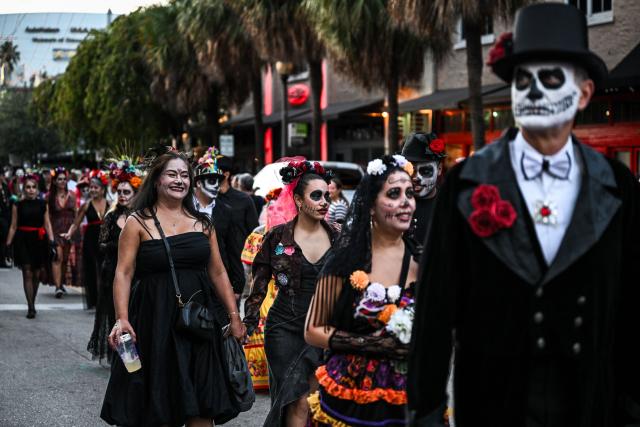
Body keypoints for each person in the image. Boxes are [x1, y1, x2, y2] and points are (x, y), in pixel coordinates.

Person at [407, 4, 640, 427]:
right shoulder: (464, 185)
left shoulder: (618, 186)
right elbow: (434, 315)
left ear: (583, 93)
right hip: (494, 406)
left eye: (549, 78)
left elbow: (632, 308)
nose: (532, 91)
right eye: (521, 80)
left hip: (590, 406)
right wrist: (425, 414)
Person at [101, 147, 245, 427]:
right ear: (157, 181)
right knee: (158, 401)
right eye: (171, 174)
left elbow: (217, 271)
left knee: (203, 403)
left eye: (184, 175)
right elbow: (124, 272)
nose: (179, 180)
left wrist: (234, 316)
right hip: (153, 319)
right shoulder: (137, 221)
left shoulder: (204, 224)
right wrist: (122, 319)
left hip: (199, 322)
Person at [304, 155, 419, 427]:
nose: (406, 202)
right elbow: (313, 329)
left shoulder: (423, 260)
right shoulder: (345, 261)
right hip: (351, 392)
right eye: (394, 193)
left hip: (409, 391)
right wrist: (375, 345)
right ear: (369, 206)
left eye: (410, 193)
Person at [243, 160, 337, 427]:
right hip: (284, 329)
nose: (323, 201)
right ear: (297, 199)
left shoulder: (338, 236)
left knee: (317, 399)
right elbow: (258, 286)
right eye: (316, 195)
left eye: (326, 195)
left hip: (322, 329)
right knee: (296, 398)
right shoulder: (276, 237)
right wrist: (247, 324)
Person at [87, 159, 142, 363]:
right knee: (116, 317)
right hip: (112, 273)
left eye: (126, 192)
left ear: (135, 194)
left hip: (137, 274)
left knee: (136, 316)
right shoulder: (111, 217)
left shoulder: (140, 217)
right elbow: (101, 244)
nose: (122, 196)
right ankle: (125, 360)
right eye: (119, 192)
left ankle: (138, 358)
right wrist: (120, 245)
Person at [241, 187, 283, 392]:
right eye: (270, 207)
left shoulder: (292, 234)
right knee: (260, 327)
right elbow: (249, 269)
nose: (273, 211)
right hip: (263, 288)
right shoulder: (257, 235)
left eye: (278, 207)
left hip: (281, 289)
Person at [5, 174, 56, 318]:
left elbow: (47, 224)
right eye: (28, 187)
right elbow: (13, 226)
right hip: (23, 240)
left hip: (39, 240)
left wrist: (52, 241)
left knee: (37, 273)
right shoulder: (18, 204)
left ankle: (32, 300)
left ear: (37, 188)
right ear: (24, 188)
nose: (31, 190)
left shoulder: (42, 204)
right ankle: (31, 306)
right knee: (27, 271)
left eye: (33, 187)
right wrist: (8, 245)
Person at [212, 156, 259, 299]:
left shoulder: (243, 200)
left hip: (238, 264)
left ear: (226, 174)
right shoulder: (209, 199)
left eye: (215, 171)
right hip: (214, 261)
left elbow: (254, 232)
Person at [63, 170, 108, 309]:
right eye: (91, 187)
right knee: (91, 269)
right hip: (90, 238)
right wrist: (69, 234)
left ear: (102, 189)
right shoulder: (87, 204)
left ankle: (105, 299)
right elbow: (76, 222)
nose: (93, 190)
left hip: (106, 239)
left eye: (96, 187)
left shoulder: (111, 203)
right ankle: (93, 301)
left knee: (105, 269)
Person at [401, 132, 446, 245]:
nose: (416, 178)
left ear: (439, 169)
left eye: (425, 171)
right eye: (410, 170)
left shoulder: (448, 204)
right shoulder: (395, 204)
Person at [48, 167, 79, 297]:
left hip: (69, 230)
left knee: (65, 259)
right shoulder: (50, 197)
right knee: (57, 257)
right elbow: (47, 216)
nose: (62, 181)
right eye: (59, 179)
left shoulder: (72, 195)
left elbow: (77, 214)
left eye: (64, 179)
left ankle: (60, 283)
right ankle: (57, 287)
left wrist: (74, 229)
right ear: (54, 181)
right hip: (55, 230)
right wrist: (49, 234)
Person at [0, 173, 11, 268]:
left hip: (4, 215)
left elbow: (9, 197)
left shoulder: (5, 186)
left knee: (4, 237)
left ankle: (3, 259)